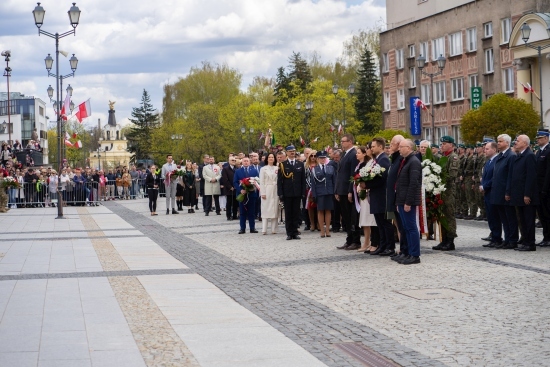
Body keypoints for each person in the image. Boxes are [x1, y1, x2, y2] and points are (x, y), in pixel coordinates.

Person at [508, 134, 539, 251]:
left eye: (518, 140)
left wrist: (527, 194)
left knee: (529, 220)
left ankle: (530, 243)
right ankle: (525, 241)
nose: (515, 142)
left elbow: (531, 177)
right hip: (518, 194)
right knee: (522, 220)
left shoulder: (529, 155)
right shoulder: (519, 155)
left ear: (525, 143)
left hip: (526, 195)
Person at [394, 139, 422, 265]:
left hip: (407, 200)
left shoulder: (414, 161)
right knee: (405, 227)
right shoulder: (406, 160)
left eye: (401, 146)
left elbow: (413, 184)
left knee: (411, 228)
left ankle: (415, 254)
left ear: (409, 148)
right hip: (401, 199)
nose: (399, 149)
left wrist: (408, 202)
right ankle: (407, 252)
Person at [365, 137, 394, 256]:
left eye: (373, 146)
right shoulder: (377, 159)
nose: (371, 148)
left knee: (385, 222)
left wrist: (366, 184)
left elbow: (382, 179)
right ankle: (382, 245)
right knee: (379, 223)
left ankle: (389, 246)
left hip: (382, 195)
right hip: (376, 195)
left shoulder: (384, 160)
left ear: (380, 147)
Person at [488, 134, 518, 249]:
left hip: (505, 192)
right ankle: (507, 239)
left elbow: (510, 176)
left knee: (510, 217)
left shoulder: (511, 156)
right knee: (504, 218)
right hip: (498, 192)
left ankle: (513, 239)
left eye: (500, 141)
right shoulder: (500, 155)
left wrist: (508, 192)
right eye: (498, 141)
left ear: (507, 143)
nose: (498, 143)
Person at [432, 136, 460, 251]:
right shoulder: (443, 157)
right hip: (441, 191)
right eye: (441, 143)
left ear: (451, 145)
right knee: (441, 215)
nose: (442, 145)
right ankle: (443, 240)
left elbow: (452, 175)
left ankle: (450, 240)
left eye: (444, 143)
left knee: (449, 215)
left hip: (448, 191)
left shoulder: (453, 158)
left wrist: (438, 178)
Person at [335, 134, 361, 249]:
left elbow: (353, 174)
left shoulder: (353, 154)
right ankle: (349, 239)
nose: (342, 143)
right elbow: (340, 174)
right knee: (346, 217)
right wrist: (337, 190)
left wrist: (351, 190)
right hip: (342, 190)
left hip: (348, 191)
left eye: (343, 141)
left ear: (350, 141)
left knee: (352, 217)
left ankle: (355, 240)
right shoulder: (345, 154)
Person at [278, 145, 306, 240]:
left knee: (296, 213)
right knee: (288, 213)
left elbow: (303, 180)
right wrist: (280, 193)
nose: (292, 153)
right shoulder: (283, 164)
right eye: (290, 151)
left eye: (293, 151)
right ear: (286, 153)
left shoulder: (300, 164)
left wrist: (303, 192)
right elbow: (280, 181)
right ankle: (289, 233)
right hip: (287, 192)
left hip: (297, 192)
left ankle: (295, 232)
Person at [480, 141, 502, 248]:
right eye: (485, 148)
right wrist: (481, 185)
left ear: (494, 149)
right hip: (487, 193)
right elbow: (484, 176)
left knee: (495, 216)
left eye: (487, 149)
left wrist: (484, 186)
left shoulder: (497, 161)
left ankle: (497, 238)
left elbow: (495, 177)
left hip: (493, 192)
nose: (485, 150)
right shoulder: (488, 161)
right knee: (490, 216)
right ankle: (494, 237)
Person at [308, 150, 334, 238]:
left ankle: (327, 230)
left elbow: (334, 181)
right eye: (321, 158)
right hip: (320, 193)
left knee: (328, 210)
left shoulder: (330, 168)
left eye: (324, 158)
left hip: (329, 192)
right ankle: (322, 230)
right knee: (320, 211)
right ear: (318, 159)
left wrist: (334, 192)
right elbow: (313, 184)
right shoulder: (315, 169)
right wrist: (314, 194)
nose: (323, 159)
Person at [233, 157, 259, 233]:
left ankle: (252, 228)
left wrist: (253, 187)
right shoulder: (238, 171)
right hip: (242, 194)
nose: (246, 162)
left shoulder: (254, 171)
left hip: (251, 194)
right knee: (242, 212)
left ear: (249, 162)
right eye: (244, 161)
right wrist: (240, 190)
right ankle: (242, 228)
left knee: (252, 212)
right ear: (242, 162)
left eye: (247, 161)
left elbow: (257, 181)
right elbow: (235, 182)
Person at [534, 130, 550, 247]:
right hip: (539, 189)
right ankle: (546, 237)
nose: (537, 140)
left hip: (547, 189)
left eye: (540, 138)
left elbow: (548, 172)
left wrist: (545, 189)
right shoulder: (539, 152)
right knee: (542, 215)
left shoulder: (548, 151)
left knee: (547, 214)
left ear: (546, 138)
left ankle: (548, 237)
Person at [260, 153, 279, 234]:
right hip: (267, 188)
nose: (271, 158)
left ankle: (274, 229)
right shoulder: (263, 169)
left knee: (275, 209)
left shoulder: (277, 168)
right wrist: (263, 192)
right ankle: (264, 229)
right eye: (269, 157)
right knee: (265, 209)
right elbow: (261, 181)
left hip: (275, 189)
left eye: (272, 157)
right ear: (267, 159)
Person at [304, 150, 318, 231]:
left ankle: (318, 223)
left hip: (318, 188)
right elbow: (304, 177)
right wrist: (309, 186)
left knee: (318, 206)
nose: (313, 157)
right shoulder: (306, 166)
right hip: (308, 188)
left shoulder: (319, 165)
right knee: (310, 206)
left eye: (314, 156)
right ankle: (312, 223)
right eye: (311, 156)